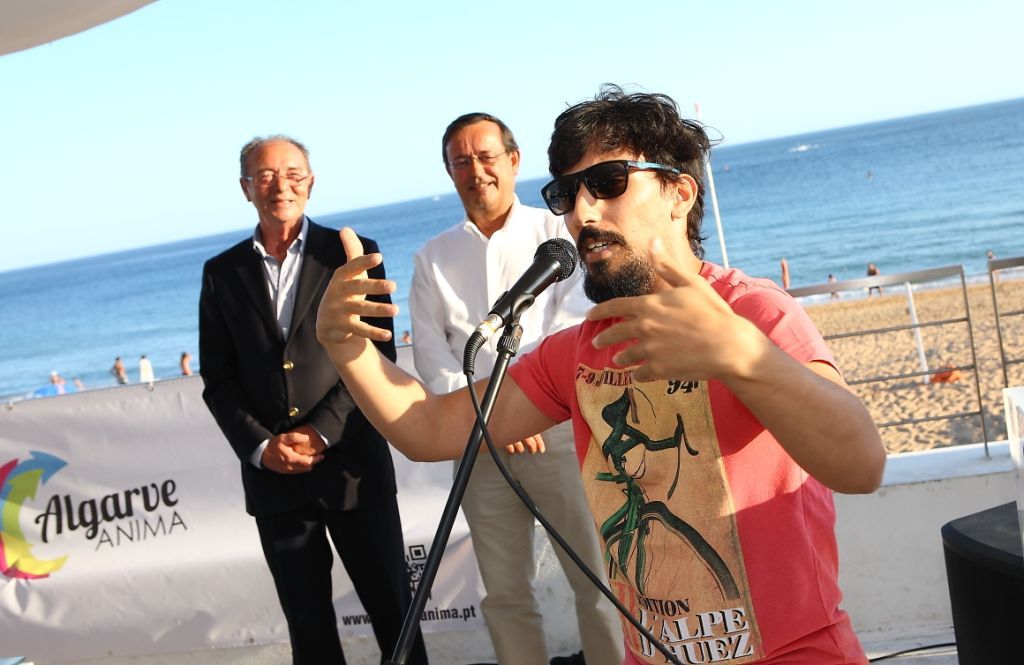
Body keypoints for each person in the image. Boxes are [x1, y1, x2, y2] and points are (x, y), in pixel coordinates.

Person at [316, 86, 885, 665]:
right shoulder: (580, 350)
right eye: (567, 194)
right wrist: (346, 346)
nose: (581, 214)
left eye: (610, 182)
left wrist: (745, 358)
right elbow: (430, 427)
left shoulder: (754, 313)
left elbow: (861, 465)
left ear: (679, 193)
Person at [199, 135, 427, 665]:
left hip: (353, 469)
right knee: (308, 629)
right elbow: (218, 378)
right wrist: (262, 446)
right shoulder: (221, 273)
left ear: (311, 182)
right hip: (274, 481)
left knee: (395, 613)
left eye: (293, 173)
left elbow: (377, 355)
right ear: (245, 188)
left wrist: (322, 430)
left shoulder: (351, 253)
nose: (280, 185)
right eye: (265, 175)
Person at [409, 112, 622, 665]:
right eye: (461, 161)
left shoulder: (558, 233)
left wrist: (521, 408)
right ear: (449, 172)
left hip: (555, 433)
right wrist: (493, 419)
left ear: (513, 159)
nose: (475, 170)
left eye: (486, 156)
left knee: (597, 581)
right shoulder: (431, 259)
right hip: (477, 443)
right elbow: (433, 355)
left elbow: (571, 329)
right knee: (504, 595)